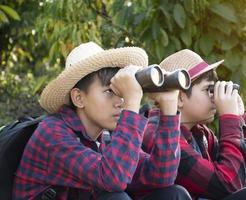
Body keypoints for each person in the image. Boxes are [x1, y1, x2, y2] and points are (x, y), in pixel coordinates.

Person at [12, 42, 191, 200]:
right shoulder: (52, 133)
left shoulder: (105, 137)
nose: (120, 101)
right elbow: (113, 180)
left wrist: (169, 105)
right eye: (109, 92)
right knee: (115, 197)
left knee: (174, 194)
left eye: (121, 92)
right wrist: (132, 100)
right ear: (79, 98)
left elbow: (161, 177)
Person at [141, 49, 246, 200]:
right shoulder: (160, 134)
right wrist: (230, 120)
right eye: (209, 89)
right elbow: (227, 184)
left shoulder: (200, 133)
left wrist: (240, 120)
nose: (214, 97)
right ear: (180, 98)